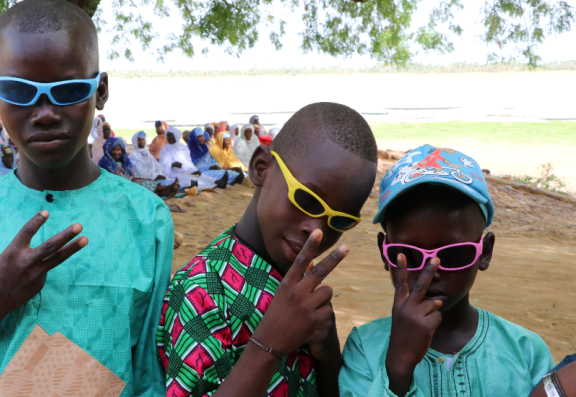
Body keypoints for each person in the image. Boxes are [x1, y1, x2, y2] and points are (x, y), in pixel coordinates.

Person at [0, 1, 172, 396]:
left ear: (101, 91)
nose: (44, 113)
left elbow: (151, 369)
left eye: (67, 90)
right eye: (18, 90)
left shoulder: (147, 218)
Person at [157, 102, 379, 397]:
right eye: (307, 200)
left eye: (339, 220)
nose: (317, 230)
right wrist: (269, 344)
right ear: (261, 167)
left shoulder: (300, 279)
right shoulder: (204, 290)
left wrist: (327, 356)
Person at [338, 145, 554, 397]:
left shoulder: (525, 351)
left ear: (485, 252)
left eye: (451, 254)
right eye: (407, 254)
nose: (430, 271)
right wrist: (397, 369)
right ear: (384, 252)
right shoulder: (364, 347)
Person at [98, 137, 179, 198]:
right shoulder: (106, 163)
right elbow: (114, 179)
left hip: (127, 183)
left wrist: (140, 179)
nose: (116, 152)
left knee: (144, 183)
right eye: (114, 150)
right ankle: (167, 188)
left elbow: (131, 174)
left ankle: (167, 191)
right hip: (115, 188)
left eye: (119, 150)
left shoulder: (124, 162)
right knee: (140, 184)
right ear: (108, 150)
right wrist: (134, 180)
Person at [159, 127, 226, 190]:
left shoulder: (183, 148)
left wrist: (194, 170)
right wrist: (173, 164)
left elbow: (188, 163)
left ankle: (218, 182)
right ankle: (190, 186)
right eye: (168, 136)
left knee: (200, 176)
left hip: (186, 171)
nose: (169, 138)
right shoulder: (165, 149)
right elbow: (162, 166)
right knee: (189, 180)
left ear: (176, 136)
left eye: (171, 136)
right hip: (172, 173)